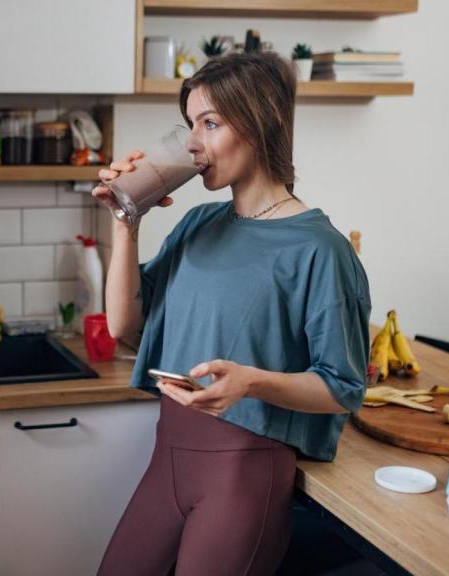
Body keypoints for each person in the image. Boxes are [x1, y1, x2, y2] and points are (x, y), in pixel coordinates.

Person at [91, 51, 371, 575]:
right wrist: (126, 220)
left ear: (263, 120)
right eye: (191, 124)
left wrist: (251, 383)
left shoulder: (320, 250)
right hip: (168, 459)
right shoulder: (198, 224)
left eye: (211, 123)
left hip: (246, 475)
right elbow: (126, 326)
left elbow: (342, 387)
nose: (194, 142)